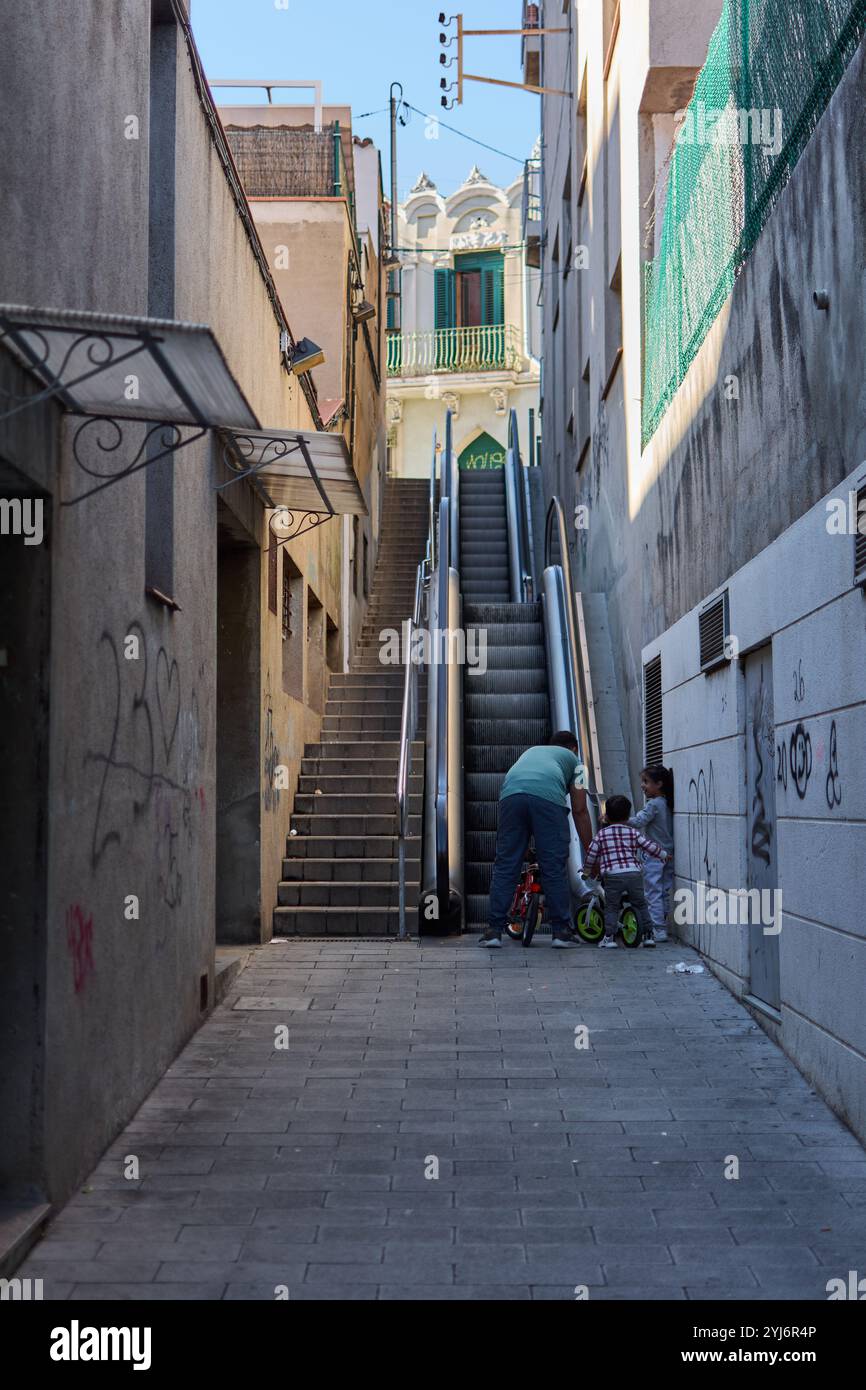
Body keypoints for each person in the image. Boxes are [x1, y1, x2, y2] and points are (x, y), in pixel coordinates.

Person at [480, 731, 594, 949]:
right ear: (573, 749)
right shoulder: (578, 764)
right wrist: (591, 852)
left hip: (511, 799)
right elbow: (580, 810)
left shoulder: (531, 752)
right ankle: (561, 932)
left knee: (505, 866)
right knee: (553, 867)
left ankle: (493, 931)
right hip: (548, 802)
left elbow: (520, 788)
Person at [581, 794, 671, 949]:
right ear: (628, 816)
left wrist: (587, 871)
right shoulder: (633, 833)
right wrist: (663, 855)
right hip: (634, 874)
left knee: (612, 907)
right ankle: (649, 936)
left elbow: (591, 855)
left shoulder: (601, 835)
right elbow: (649, 846)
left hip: (613, 876)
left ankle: (609, 938)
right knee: (641, 904)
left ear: (607, 816)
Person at [629, 765, 675, 942]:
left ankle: (658, 929)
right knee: (663, 891)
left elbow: (639, 821)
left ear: (659, 784)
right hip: (668, 853)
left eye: (646, 782)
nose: (642, 785)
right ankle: (662, 926)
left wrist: (617, 819)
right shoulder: (666, 803)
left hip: (654, 855)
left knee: (652, 892)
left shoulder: (653, 804)